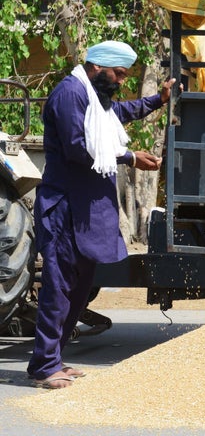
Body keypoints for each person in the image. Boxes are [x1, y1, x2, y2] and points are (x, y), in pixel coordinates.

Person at [27, 41, 179, 389]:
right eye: (119, 74)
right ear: (99, 67)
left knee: (79, 291)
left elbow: (121, 113)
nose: (122, 82)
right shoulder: (70, 95)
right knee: (59, 288)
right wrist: (129, 157)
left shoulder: (96, 100)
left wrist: (158, 100)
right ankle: (44, 366)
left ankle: (53, 359)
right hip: (64, 208)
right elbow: (78, 149)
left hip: (87, 210)